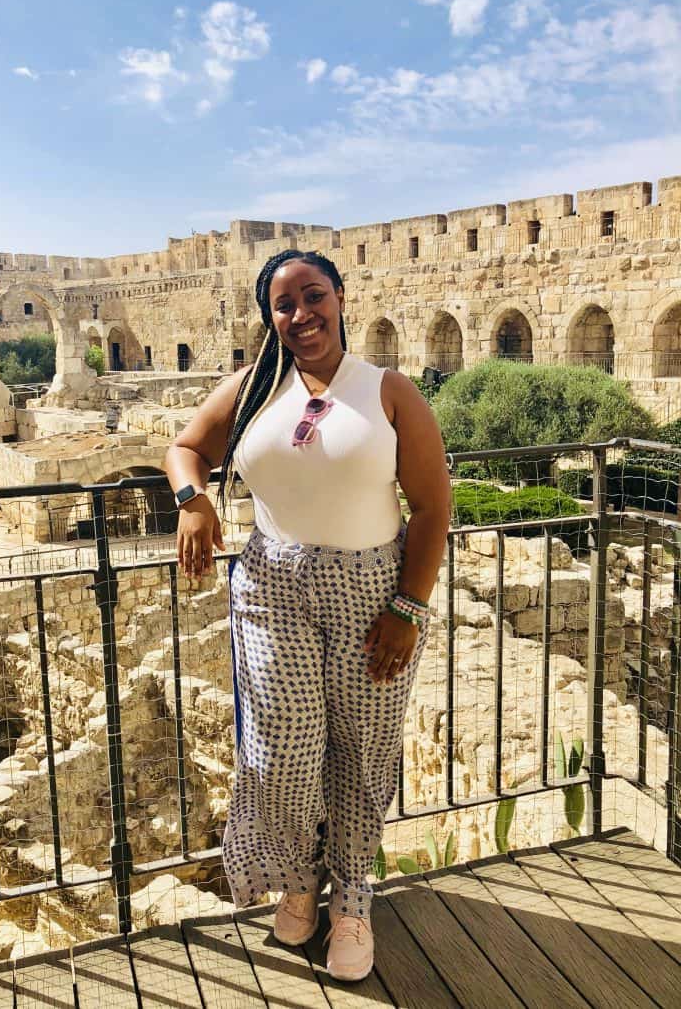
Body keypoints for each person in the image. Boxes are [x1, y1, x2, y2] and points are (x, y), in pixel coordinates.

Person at [165, 249, 451, 982]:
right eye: (283, 305)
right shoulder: (255, 387)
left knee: (362, 750)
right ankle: (298, 879)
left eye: (312, 296)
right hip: (272, 587)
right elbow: (186, 446)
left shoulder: (388, 391)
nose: (301, 315)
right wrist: (192, 500)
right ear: (270, 318)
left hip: (373, 592)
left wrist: (408, 608)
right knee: (281, 751)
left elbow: (432, 506)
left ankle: (352, 898)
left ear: (341, 296)